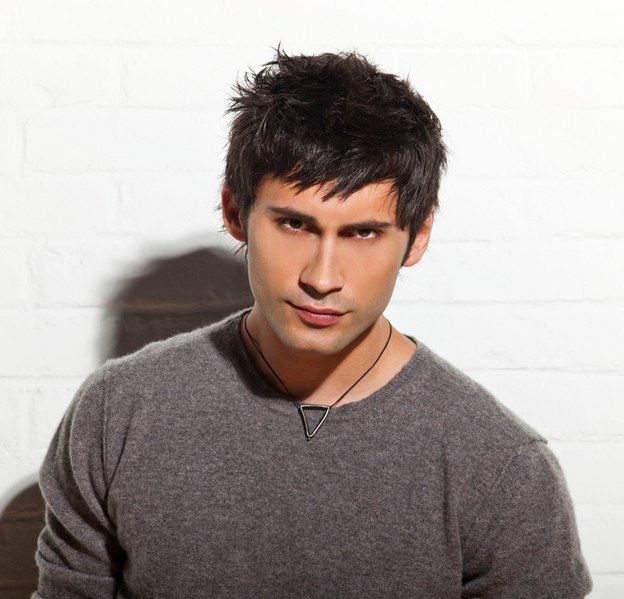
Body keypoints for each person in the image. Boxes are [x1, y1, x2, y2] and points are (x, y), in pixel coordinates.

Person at [33, 45, 593, 598]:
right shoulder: (119, 411)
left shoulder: (499, 466)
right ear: (235, 214)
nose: (323, 278)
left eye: (363, 233)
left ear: (418, 237)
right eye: (296, 225)